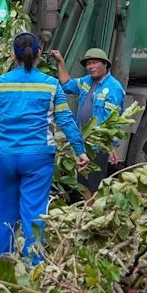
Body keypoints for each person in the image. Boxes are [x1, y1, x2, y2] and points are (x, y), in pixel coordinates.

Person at [0, 30, 88, 261]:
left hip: (5, 157)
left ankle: (2, 268)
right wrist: (80, 150)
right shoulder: (51, 85)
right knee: (34, 213)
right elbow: (66, 120)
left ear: (13, 55)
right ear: (39, 53)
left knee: (3, 213)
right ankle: (34, 268)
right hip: (38, 158)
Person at [60, 47, 129, 189]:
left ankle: (93, 210)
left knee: (95, 184)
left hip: (98, 146)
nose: (91, 67)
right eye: (88, 64)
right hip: (83, 144)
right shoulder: (86, 81)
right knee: (82, 183)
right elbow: (67, 85)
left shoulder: (113, 88)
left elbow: (113, 120)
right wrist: (60, 61)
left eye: (94, 62)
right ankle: (86, 209)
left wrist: (108, 145)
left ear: (105, 64)